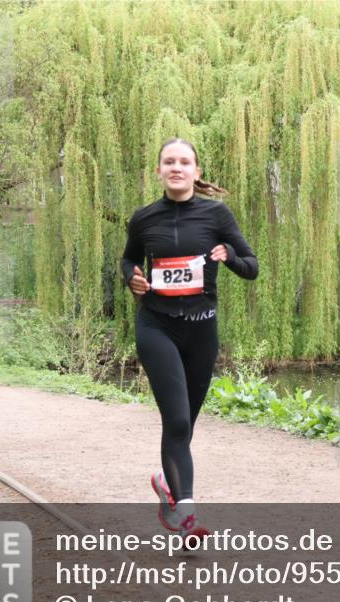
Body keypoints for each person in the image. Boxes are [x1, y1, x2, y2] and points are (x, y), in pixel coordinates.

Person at [122, 138, 258, 543]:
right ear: (159, 171)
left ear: (196, 172)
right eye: (169, 162)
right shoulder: (144, 218)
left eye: (184, 162)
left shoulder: (216, 214)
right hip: (157, 326)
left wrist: (227, 255)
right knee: (177, 420)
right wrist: (131, 277)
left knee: (186, 424)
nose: (176, 167)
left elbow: (251, 267)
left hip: (202, 330)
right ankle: (186, 517)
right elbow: (128, 259)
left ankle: (167, 481)